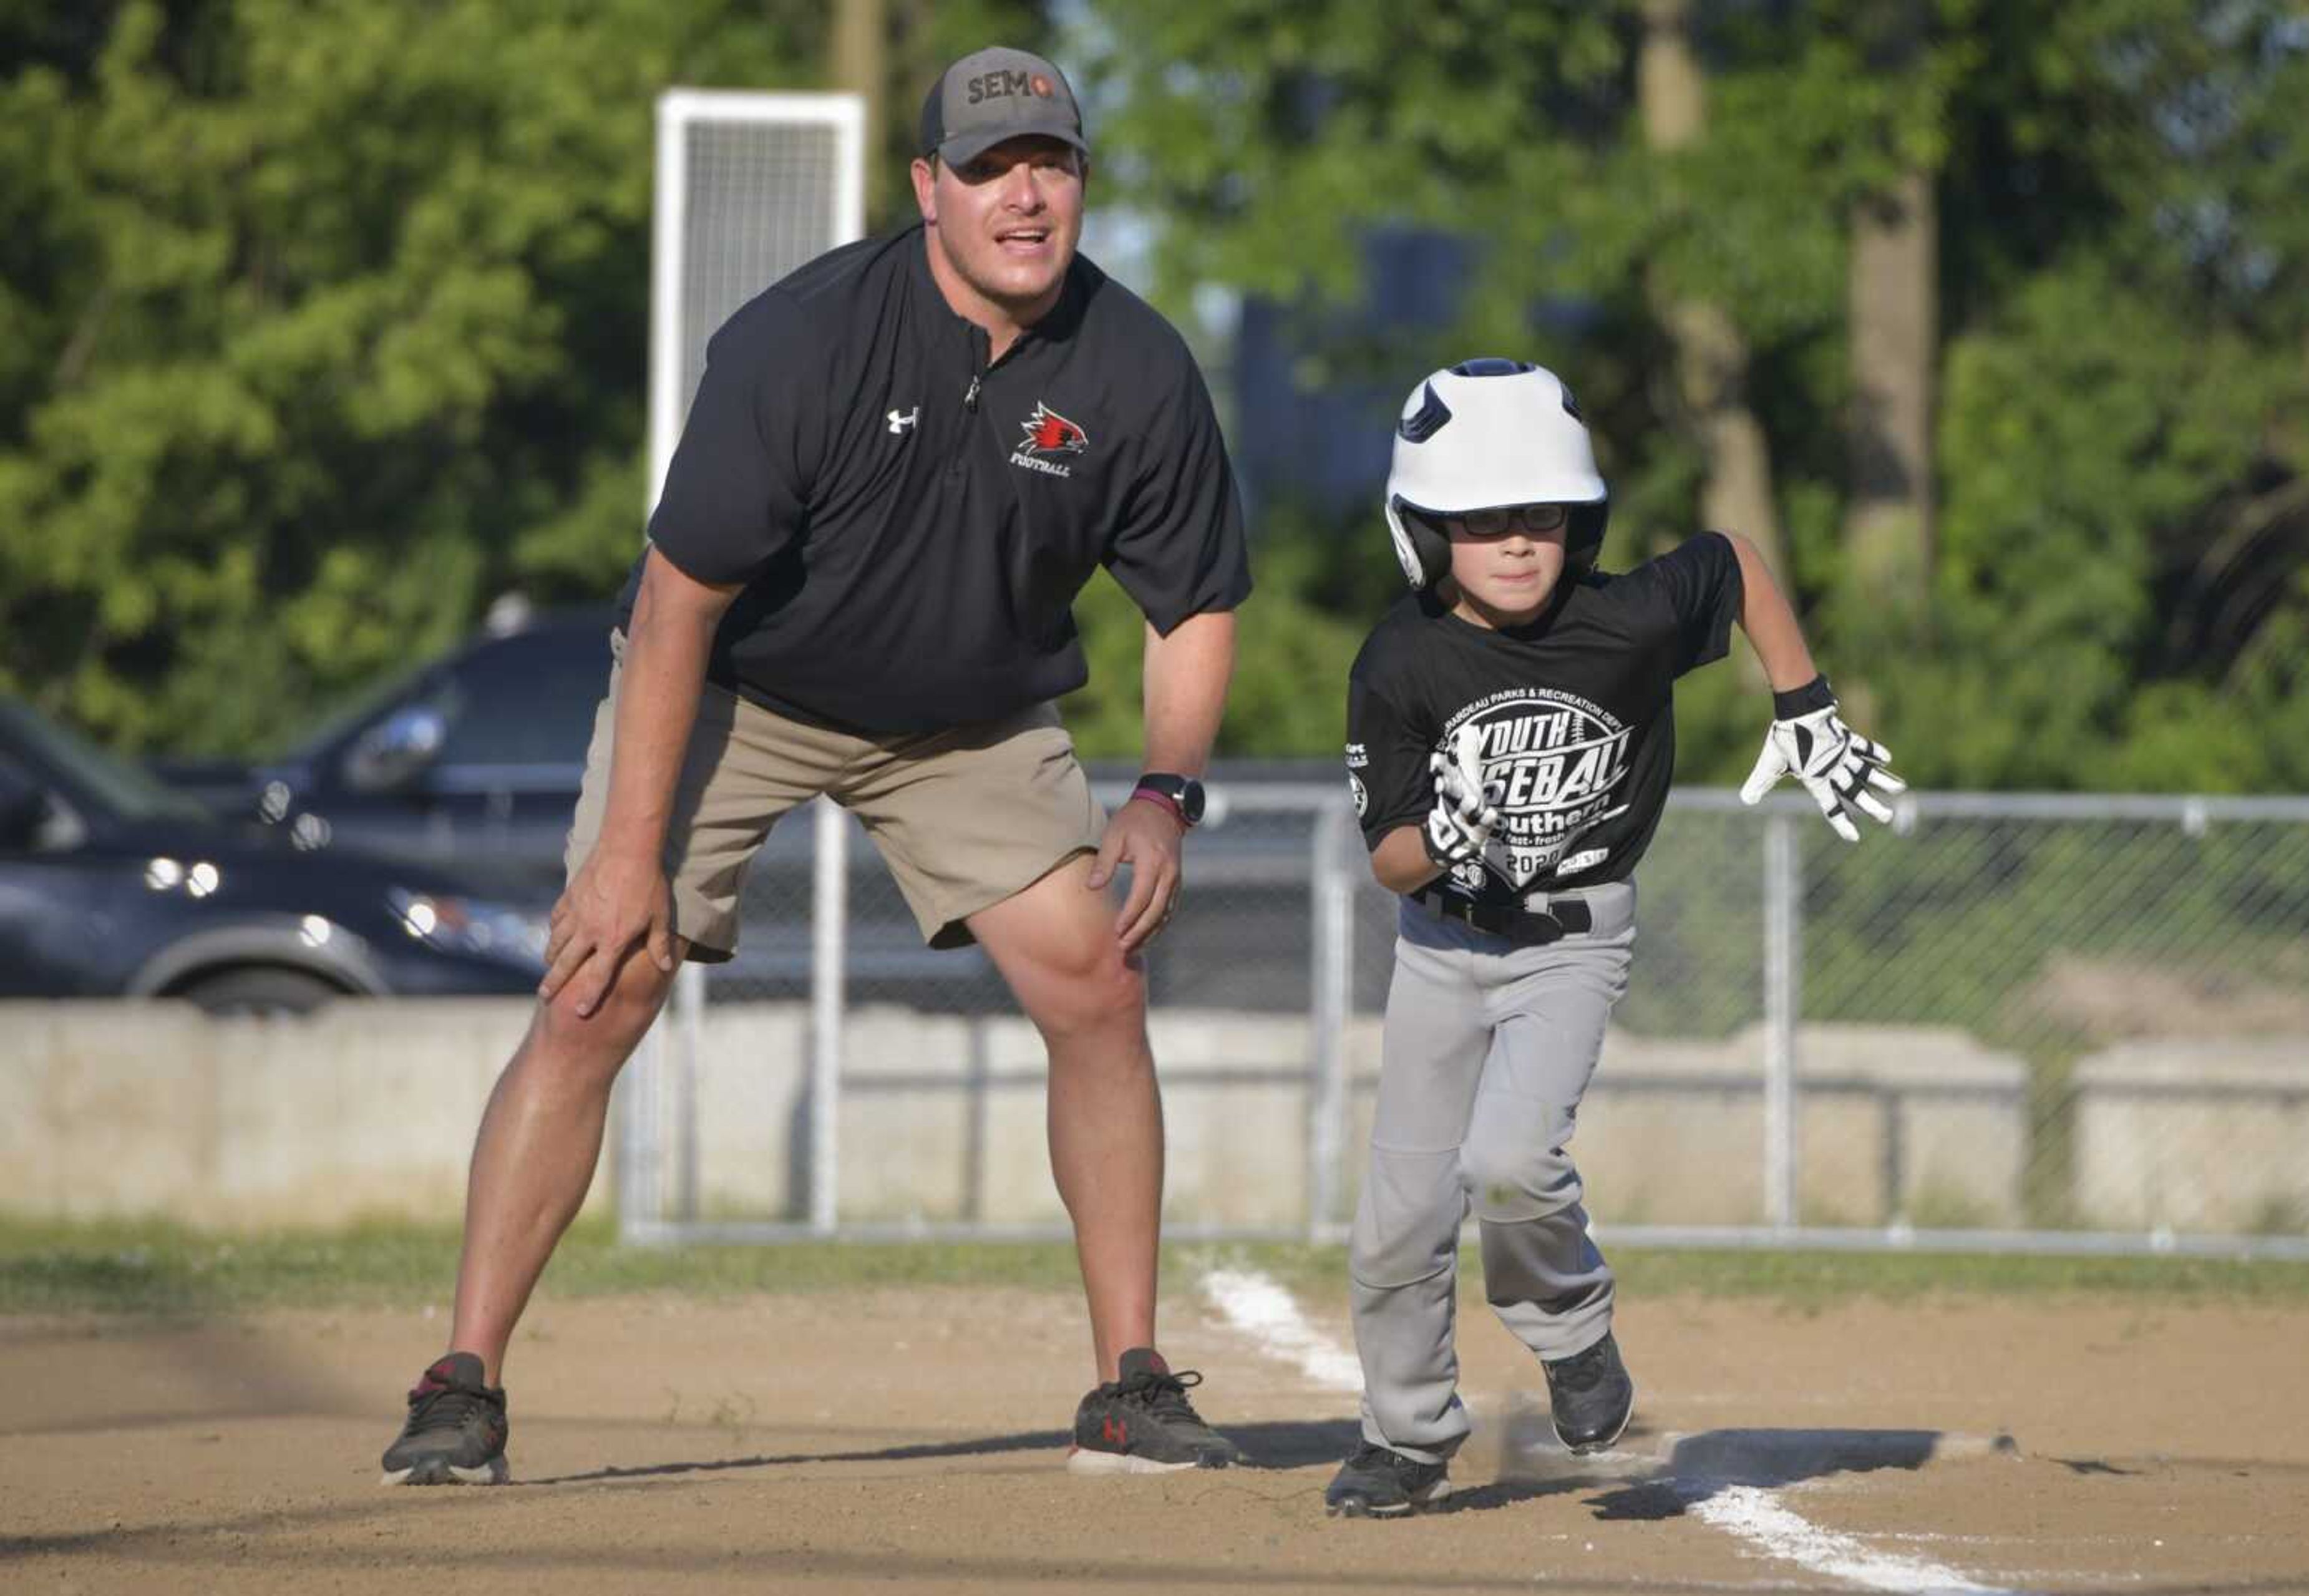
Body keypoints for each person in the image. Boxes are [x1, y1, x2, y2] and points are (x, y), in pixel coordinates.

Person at [380, 46, 1250, 1486]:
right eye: (988, 169)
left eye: (1052, 163)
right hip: (743, 690)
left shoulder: (1138, 367)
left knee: (1096, 976)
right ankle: (462, 1380)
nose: (1024, 196)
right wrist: (623, 858)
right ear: (928, 190)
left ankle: (1128, 1384)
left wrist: (1165, 794)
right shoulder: (806, 339)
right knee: (605, 980)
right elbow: (676, 604)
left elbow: (1196, 603)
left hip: (966, 720)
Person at [1325, 358, 1904, 1517]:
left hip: (1574, 940)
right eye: (1481, 521)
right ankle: (1406, 1433)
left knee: (1512, 1161)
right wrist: (1446, 832)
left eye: (1540, 514)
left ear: (1577, 518)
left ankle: (1574, 1332)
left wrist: (1804, 700)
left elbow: (1734, 565)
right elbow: (1387, 852)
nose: (1517, 541)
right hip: (1441, 945)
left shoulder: (1624, 620)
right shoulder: (1400, 659)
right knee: (1399, 1214)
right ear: (1426, 531)